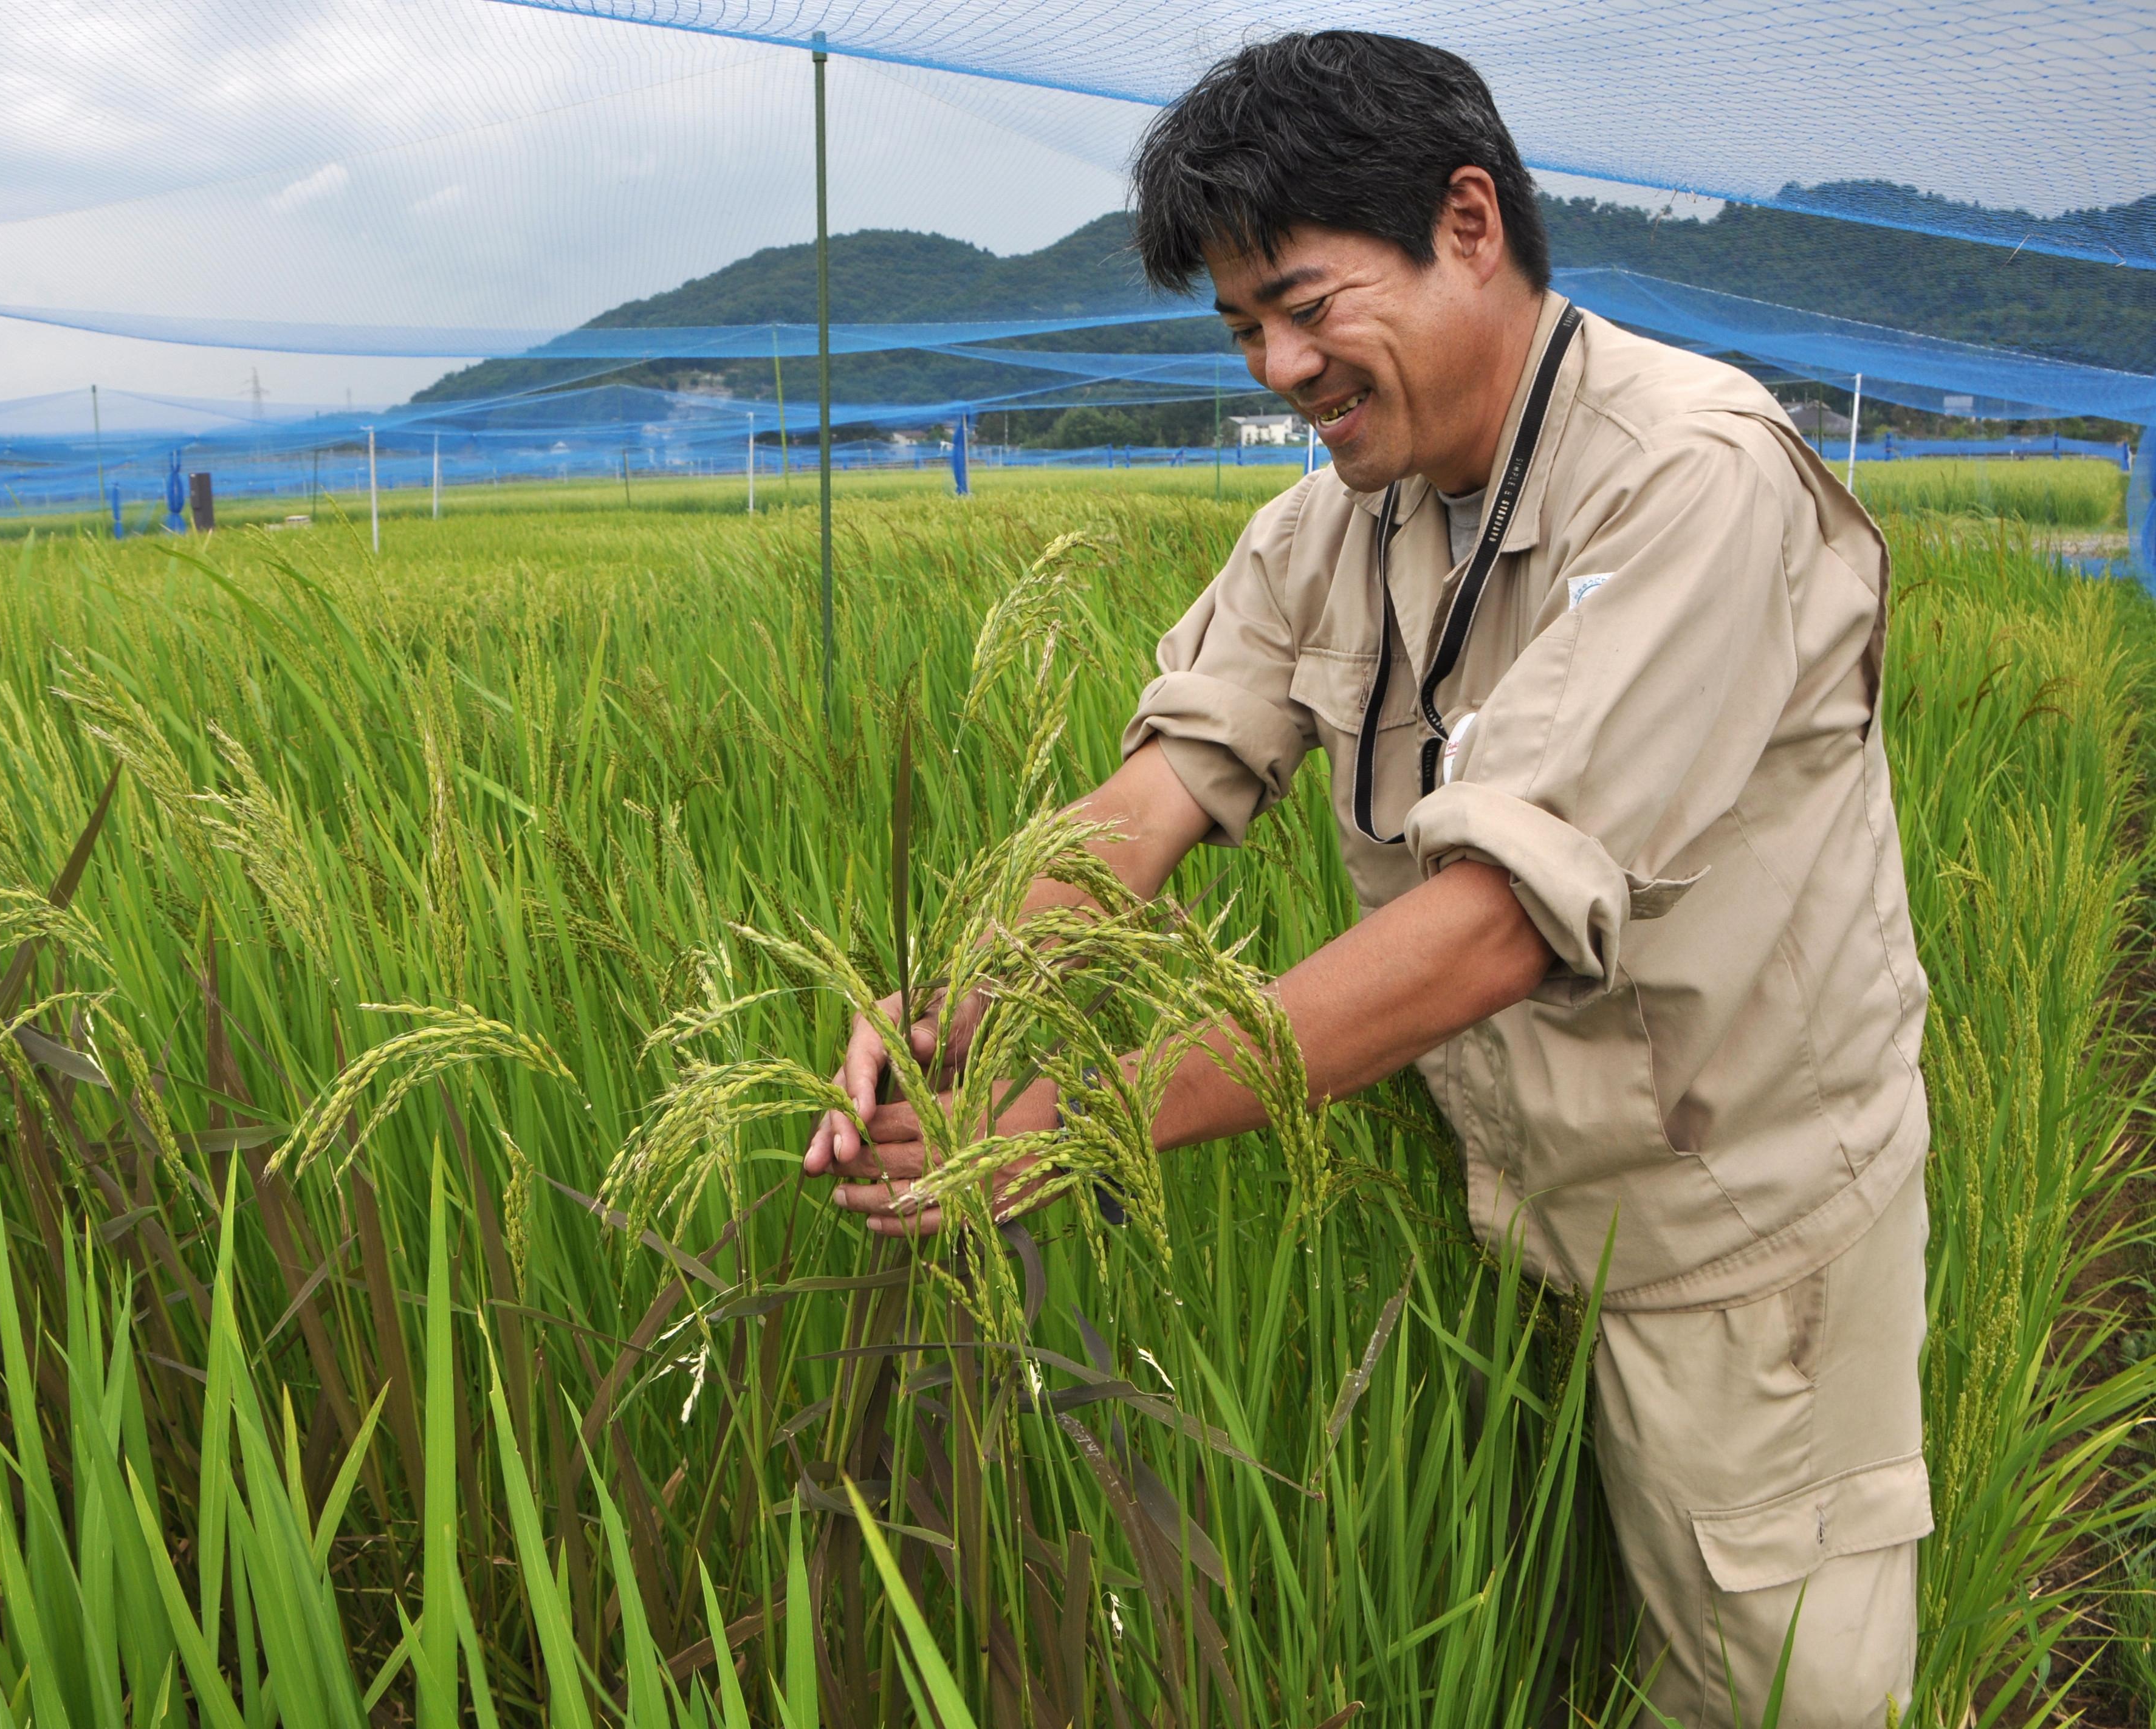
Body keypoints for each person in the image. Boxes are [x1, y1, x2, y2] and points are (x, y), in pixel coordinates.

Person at [800, 32, 1930, 1728]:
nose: (1276, 365)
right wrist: (964, 1012)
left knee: (1766, 1694)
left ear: (1469, 223)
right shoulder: (1339, 522)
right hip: (1495, 1209)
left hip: (1730, 1239)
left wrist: (1076, 1123)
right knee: (1529, 1648)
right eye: (1243, 326)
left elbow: (1486, 928)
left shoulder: (1692, 480)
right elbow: (1160, 791)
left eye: (1307, 304)